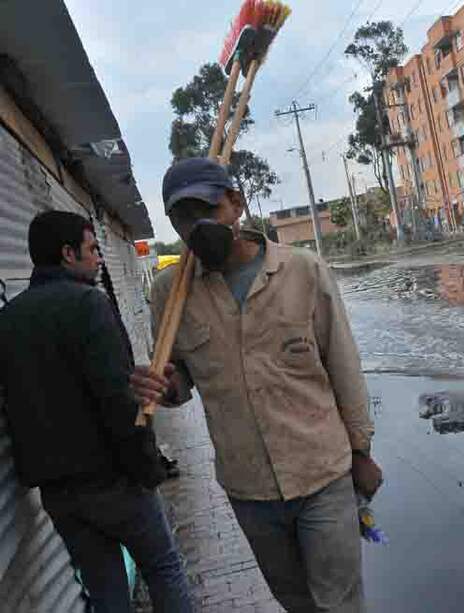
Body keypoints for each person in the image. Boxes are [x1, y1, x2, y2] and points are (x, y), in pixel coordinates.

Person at [138, 157, 381, 613]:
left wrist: (362, 452)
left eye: (205, 211)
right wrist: (163, 388)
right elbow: (179, 384)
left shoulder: (303, 271)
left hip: (323, 474)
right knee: (294, 602)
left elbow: (344, 366)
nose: (195, 228)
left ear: (236, 203)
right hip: (248, 489)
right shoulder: (170, 294)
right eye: (182, 219)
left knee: (339, 603)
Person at [0, 211, 193, 612]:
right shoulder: (89, 304)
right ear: (68, 254)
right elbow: (118, 400)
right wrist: (148, 469)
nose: (99, 259)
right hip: (112, 481)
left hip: (58, 494)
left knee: (106, 591)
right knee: (163, 568)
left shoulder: (10, 319)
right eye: (91, 250)